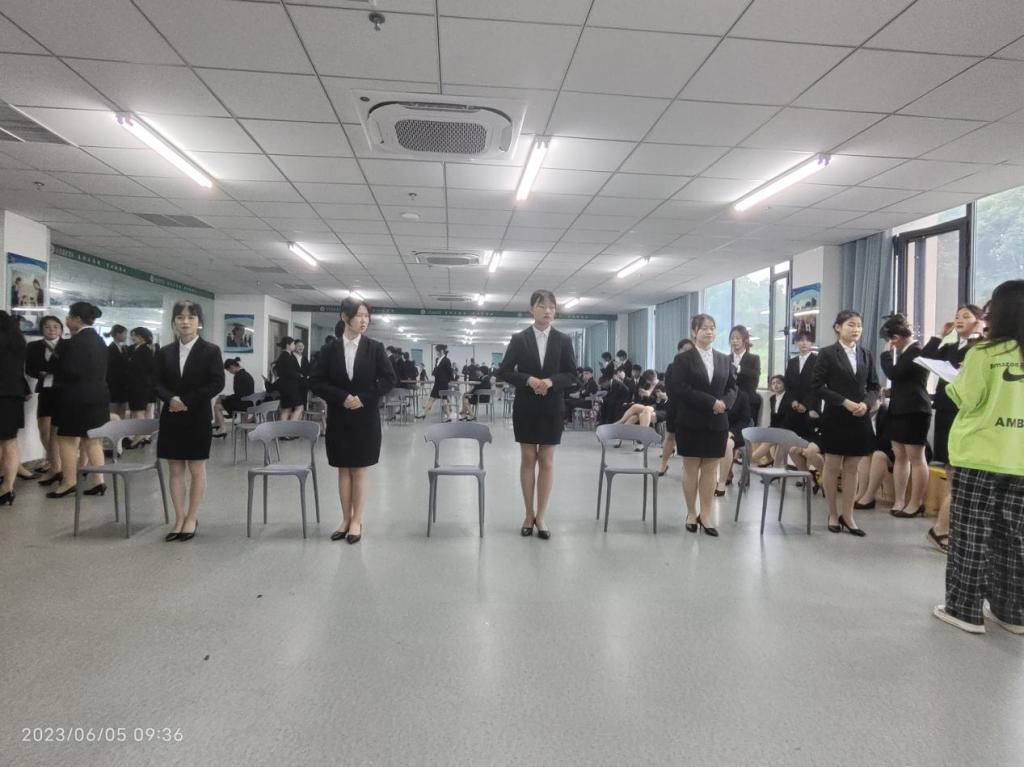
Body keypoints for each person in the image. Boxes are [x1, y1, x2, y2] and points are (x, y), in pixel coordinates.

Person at [934, 280, 1024, 635]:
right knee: (1014, 537)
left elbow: (967, 398)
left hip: (980, 455)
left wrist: (954, 383)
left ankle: (964, 609)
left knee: (971, 532)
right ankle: (1013, 612)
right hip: (1019, 458)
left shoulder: (985, 354)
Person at [310, 297, 396, 544]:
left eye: (367, 316)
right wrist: (342, 397)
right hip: (339, 417)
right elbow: (316, 381)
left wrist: (363, 398)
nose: (364, 320)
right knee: (342, 469)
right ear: (344, 317)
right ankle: (345, 519)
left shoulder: (374, 348)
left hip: (365, 418)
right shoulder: (330, 350)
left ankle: (357, 520)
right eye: (359, 315)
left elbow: (389, 379)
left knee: (359, 468)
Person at [498, 290, 578, 540]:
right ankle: (528, 514)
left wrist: (551, 382)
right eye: (542, 306)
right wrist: (528, 379)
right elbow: (504, 371)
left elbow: (572, 374)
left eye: (552, 307)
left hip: (552, 406)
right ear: (531, 309)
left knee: (547, 461)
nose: (548, 311)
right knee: (527, 459)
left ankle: (541, 516)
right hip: (526, 406)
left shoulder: (563, 340)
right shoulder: (519, 339)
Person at [153, 300, 225, 542]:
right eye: (180, 317)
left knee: (196, 468)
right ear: (174, 322)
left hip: (197, 416)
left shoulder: (210, 351)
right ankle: (179, 517)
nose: (185, 322)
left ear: (199, 322)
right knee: (174, 468)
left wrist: (186, 400)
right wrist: (171, 398)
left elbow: (217, 382)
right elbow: (156, 382)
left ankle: (192, 517)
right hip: (171, 416)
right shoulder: (164, 352)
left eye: (191, 318)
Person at [918, 304, 985, 553]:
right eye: (957, 316)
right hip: (947, 411)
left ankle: (947, 527)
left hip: (966, 411)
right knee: (950, 468)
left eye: (966, 316)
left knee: (959, 473)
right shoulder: (950, 347)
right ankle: (944, 528)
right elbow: (924, 359)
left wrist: (980, 335)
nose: (959, 320)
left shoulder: (980, 348)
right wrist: (940, 335)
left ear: (979, 321)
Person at [811, 310, 880, 537]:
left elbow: (874, 386)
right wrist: (844, 402)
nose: (856, 329)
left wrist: (866, 404)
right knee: (832, 466)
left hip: (860, 417)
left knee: (852, 469)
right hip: (836, 417)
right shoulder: (827, 354)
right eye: (851, 324)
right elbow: (817, 386)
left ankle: (848, 516)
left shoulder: (866, 354)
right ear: (838, 327)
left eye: (859, 325)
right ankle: (833, 513)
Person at [669, 314, 737, 537]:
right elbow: (680, 388)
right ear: (694, 332)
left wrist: (725, 403)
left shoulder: (724, 359)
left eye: (712, 328)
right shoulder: (683, 359)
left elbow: (733, 388)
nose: (709, 332)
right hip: (691, 421)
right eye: (705, 328)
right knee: (691, 469)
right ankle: (691, 513)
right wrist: (711, 402)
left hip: (717, 422)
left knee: (710, 470)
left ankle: (706, 515)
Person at [46, 302, 109, 500]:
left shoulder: (71, 343)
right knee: (92, 440)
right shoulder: (100, 341)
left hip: (75, 398)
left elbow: (64, 370)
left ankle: (69, 482)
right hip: (98, 397)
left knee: (66, 439)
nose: (66, 320)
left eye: (68, 317)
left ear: (77, 319)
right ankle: (99, 481)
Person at [878, 314, 932, 518]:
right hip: (899, 409)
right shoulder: (906, 352)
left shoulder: (916, 350)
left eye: (890, 340)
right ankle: (899, 500)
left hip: (915, 410)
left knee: (916, 458)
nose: (891, 344)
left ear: (897, 337)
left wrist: (885, 355)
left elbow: (894, 374)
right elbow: (905, 381)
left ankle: (916, 502)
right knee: (899, 455)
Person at [25, 315, 64, 485]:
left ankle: (57, 466)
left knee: (58, 431)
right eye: (47, 327)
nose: (52, 330)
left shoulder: (67, 346)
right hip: (45, 390)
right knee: (44, 429)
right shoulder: (33, 346)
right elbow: (29, 368)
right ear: (42, 329)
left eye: (55, 326)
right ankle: (52, 460)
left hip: (63, 392)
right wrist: (41, 373)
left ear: (61, 329)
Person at [0, 310, 29, 506]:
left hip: (2, 396)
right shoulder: (18, 343)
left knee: (5, 444)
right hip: (14, 397)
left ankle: (6, 487)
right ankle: (7, 487)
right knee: (9, 442)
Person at [659, 338, 694, 476]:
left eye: (690, 351)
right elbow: (670, 389)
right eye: (684, 350)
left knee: (689, 438)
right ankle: (663, 464)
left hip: (691, 408)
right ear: (679, 351)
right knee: (670, 436)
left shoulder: (696, 368)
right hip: (674, 406)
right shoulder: (672, 367)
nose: (687, 353)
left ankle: (687, 467)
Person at [782, 330, 820, 440]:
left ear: (811, 343)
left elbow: (818, 385)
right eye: (801, 340)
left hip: (810, 407)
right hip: (793, 407)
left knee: (807, 440)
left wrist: (805, 404)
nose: (804, 343)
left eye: (807, 340)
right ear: (796, 343)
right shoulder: (791, 362)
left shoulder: (818, 361)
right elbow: (787, 384)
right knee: (791, 439)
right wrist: (792, 401)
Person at [124, 326, 157, 449]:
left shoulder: (145, 350)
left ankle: (139, 437)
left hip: (140, 386)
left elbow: (150, 368)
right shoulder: (138, 349)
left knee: (139, 411)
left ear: (141, 337)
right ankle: (140, 436)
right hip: (136, 385)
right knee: (137, 411)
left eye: (134, 335)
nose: (132, 338)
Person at [750, 375, 787, 467]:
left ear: (784, 384)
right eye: (773, 383)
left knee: (755, 455)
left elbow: (788, 418)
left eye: (778, 383)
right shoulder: (772, 398)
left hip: (786, 429)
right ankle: (770, 459)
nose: (775, 385)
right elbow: (773, 417)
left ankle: (752, 458)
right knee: (760, 434)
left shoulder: (788, 398)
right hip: (776, 428)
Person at [729, 324, 762, 426]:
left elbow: (755, 374)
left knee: (748, 431)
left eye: (738, 338)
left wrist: (739, 368)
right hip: (730, 402)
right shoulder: (726, 359)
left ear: (745, 340)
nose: (734, 341)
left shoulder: (754, 358)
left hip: (749, 401)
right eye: (732, 338)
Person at [213, 358, 256, 435]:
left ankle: (222, 428)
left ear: (232, 367)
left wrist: (226, 397)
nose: (230, 372)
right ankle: (218, 423)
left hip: (242, 403)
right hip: (249, 403)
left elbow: (238, 395)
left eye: (229, 371)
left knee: (217, 406)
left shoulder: (238, 376)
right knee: (220, 398)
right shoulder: (247, 374)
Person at [416, 345, 455, 419]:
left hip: (443, 383)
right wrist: (434, 373)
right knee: (433, 398)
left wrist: (450, 380)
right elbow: (436, 369)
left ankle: (448, 416)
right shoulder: (437, 359)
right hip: (437, 382)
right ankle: (424, 413)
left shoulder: (447, 360)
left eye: (437, 351)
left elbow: (450, 372)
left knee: (443, 400)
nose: (436, 353)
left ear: (441, 351)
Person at [273, 337, 304, 421]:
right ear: (288, 345)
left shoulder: (283, 356)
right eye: (293, 344)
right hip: (290, 387)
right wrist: (299, 375)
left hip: (285, 387)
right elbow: (290, 372)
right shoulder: (287, 357)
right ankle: (290, 426)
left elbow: (278, 370)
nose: (294, 346)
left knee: (286, 410)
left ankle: (283, 428)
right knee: (299, 407)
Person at [105, 324, 130, 419]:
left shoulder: (124, 348)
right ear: (117, 334)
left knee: (122, 410)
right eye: (124, 334)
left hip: (123, 385)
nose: (126, 336)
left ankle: (121, 427)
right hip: (113, 385)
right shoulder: (109, 349)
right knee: (113, 411)